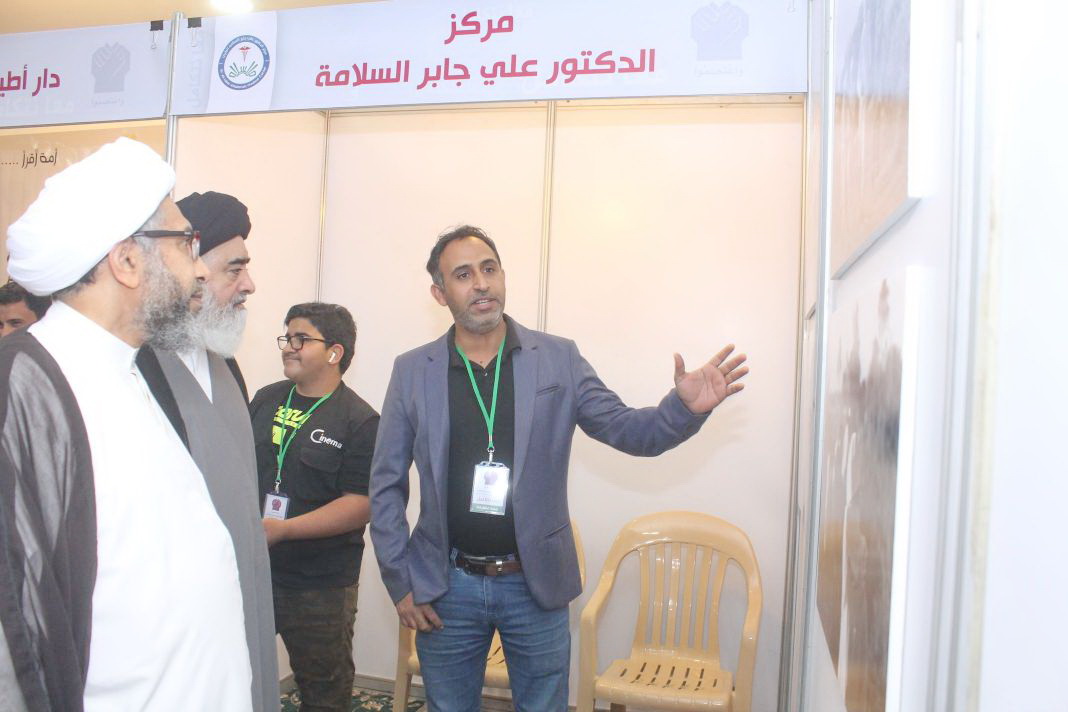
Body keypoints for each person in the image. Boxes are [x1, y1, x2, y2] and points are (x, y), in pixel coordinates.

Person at [369, 225, 749, 711]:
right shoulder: (412, 371)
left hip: (534, 583)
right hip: (446, 584)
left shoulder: (557, 359)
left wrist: (683, 409)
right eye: (463, 275)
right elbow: (385, 484)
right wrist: (401, 579)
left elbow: (629, 430)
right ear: (440, 293)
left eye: (489, 269)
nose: (481, 283)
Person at [0, 138, 253, 711]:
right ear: (127, 262)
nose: (198, 268)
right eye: (185, 243)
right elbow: (18, 629)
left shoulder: (127, 369)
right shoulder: (28, 388)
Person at [135, 190, 278, 712]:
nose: (249, 284)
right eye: (234, 269)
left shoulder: (224, 362)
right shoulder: (139, 367)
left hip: (241, 591)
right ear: (190, 268)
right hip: (178, 623)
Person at [249, 302, 379, 712]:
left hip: (320, 584)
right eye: (287, 337)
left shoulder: (359, 420)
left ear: (334, 352)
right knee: (239, 674)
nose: (289, 346)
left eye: (301, 339)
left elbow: (360, 504)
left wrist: (284, 529)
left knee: (324, 693)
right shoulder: (266, 399)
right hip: (256, 571)